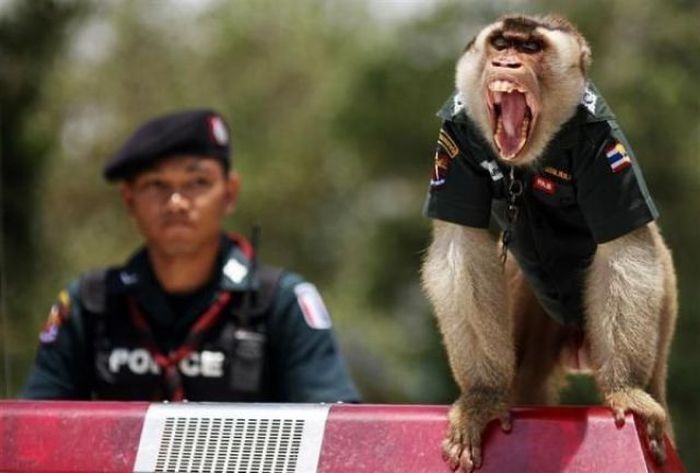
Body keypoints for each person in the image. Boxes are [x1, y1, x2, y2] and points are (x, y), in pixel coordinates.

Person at [22, 109, 360, 403]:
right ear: (129, 201)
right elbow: (35, 429)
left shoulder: (279, 305)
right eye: (156, 185)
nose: (176, 203)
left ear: (229, 194)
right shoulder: (91, 305)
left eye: (197, 182)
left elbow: (337, 437)